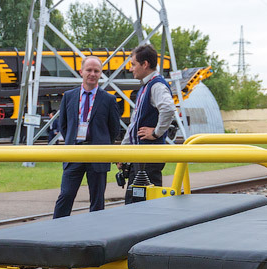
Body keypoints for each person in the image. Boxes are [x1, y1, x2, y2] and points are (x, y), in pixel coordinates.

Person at [51, 56, 122, 218]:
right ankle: (55, 230)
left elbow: (114, 129)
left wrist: (101, 143)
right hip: (74, 153)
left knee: (97, 200)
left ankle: (95, 234)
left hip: (97, 154)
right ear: (81, 71)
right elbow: (63, 125)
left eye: (96, 71)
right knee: (66, 195)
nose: (92, 74)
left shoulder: (109, 99)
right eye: (89, 70)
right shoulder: (69, 96)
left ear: (101, 74)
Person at [123, 43, 175, 200]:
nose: (130, 69)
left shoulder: (156, 85)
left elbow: (168, 108)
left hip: (148, 158)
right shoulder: (147, 86)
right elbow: (134, 125)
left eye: (133, 64)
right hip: (142, 157)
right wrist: (124, 151)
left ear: (145, 64)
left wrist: (156, 132)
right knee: (137, 201)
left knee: (142, 202)